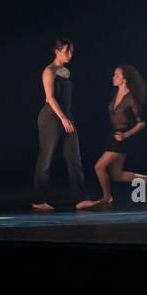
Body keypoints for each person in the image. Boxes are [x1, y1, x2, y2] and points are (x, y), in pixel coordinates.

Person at [31, 38, 93, 210]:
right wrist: (63, 119)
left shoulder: (66, 71)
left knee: (74, 158)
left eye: (71, 51)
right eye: (67, 51)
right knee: (47, 158)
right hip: (51, 117)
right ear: (57, 51)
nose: (70, 54)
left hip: (67, 116)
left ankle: (80, 199)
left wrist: (67, 118)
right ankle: (38, 200)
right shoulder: (48, 71)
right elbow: (50, 98)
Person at [87, 64, 147, 206]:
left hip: (122, 139)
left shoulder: (131, 98)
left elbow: (142, 123)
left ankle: (107, 197)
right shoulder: (115, 94)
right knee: (116, 175)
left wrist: (125, 135)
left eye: (117, 75)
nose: (113, 77)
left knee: (99, 167)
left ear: (124, 79)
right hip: (113, 136)